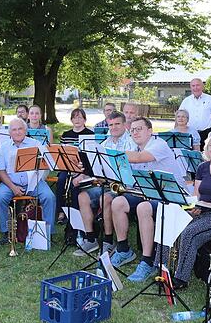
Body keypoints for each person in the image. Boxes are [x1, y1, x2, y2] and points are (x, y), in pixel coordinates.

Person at [133, 131, 211, 285]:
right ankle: (162, 269)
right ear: (207, 148)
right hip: (201, 211)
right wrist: (195, 206)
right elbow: (197, 195)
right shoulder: (202, 167)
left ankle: (180, 278)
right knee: (169, 224)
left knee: (189, 233)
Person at [109, 117, 188, 269]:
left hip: (171, 196)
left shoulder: (159, 144)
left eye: (139, 129)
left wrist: (111, 155)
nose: (135, 132)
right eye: (132, 130)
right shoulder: (136, 148)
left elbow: (139, 159)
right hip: (149, 193)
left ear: (150, 131)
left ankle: (147, 260)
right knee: (118, 202)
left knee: (143, 207)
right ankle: (123, 249)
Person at [75, 111, 137, 256]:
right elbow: (97, 166)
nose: (114, 128)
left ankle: (108, 241)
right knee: (82, 197)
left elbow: (129, 171)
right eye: (110, 125)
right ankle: (91, 239)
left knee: (106, 198)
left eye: (117, 124)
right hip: (107, 184)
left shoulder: (131, 142)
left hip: (125, 186)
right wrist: (84, 172)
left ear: (124, 124)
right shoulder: (105, 143)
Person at [0, 118, 56, 243]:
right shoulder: (4, 147)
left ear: (26, 130)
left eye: (20, 129)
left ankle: (48, 233)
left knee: (49, 197)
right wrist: (13, 187)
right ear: (9, 133)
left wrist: (37, 179)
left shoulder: (35, 144)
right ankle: (6, 232)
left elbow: (47, 164)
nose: (17, 132)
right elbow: (1, 171)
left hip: (33, 182)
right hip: (10, 183)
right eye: (14, 130)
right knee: (0, 197)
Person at [56, 109, 94, 221]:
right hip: (67, 166)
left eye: (80, 117)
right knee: (61, 181)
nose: (77, 120)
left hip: (83, 167)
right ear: (71, 119)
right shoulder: (66, 134)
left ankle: (75, 212)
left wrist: (79, 170)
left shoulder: (90, 134)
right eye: (74, 117)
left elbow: (90, 156)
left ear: (84, 120)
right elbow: (61, 154)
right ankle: (61, 211)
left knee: (76, 185)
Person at [179, 78, 211, 151]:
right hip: (189, 134)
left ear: (202, 86)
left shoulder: (210, 99)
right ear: (190, 87)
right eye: (193, 86)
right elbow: (178, 117)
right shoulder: (186, 101)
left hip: (206, 134)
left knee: (206, 157)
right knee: (190, 158)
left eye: (198, 85)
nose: (195, 88)